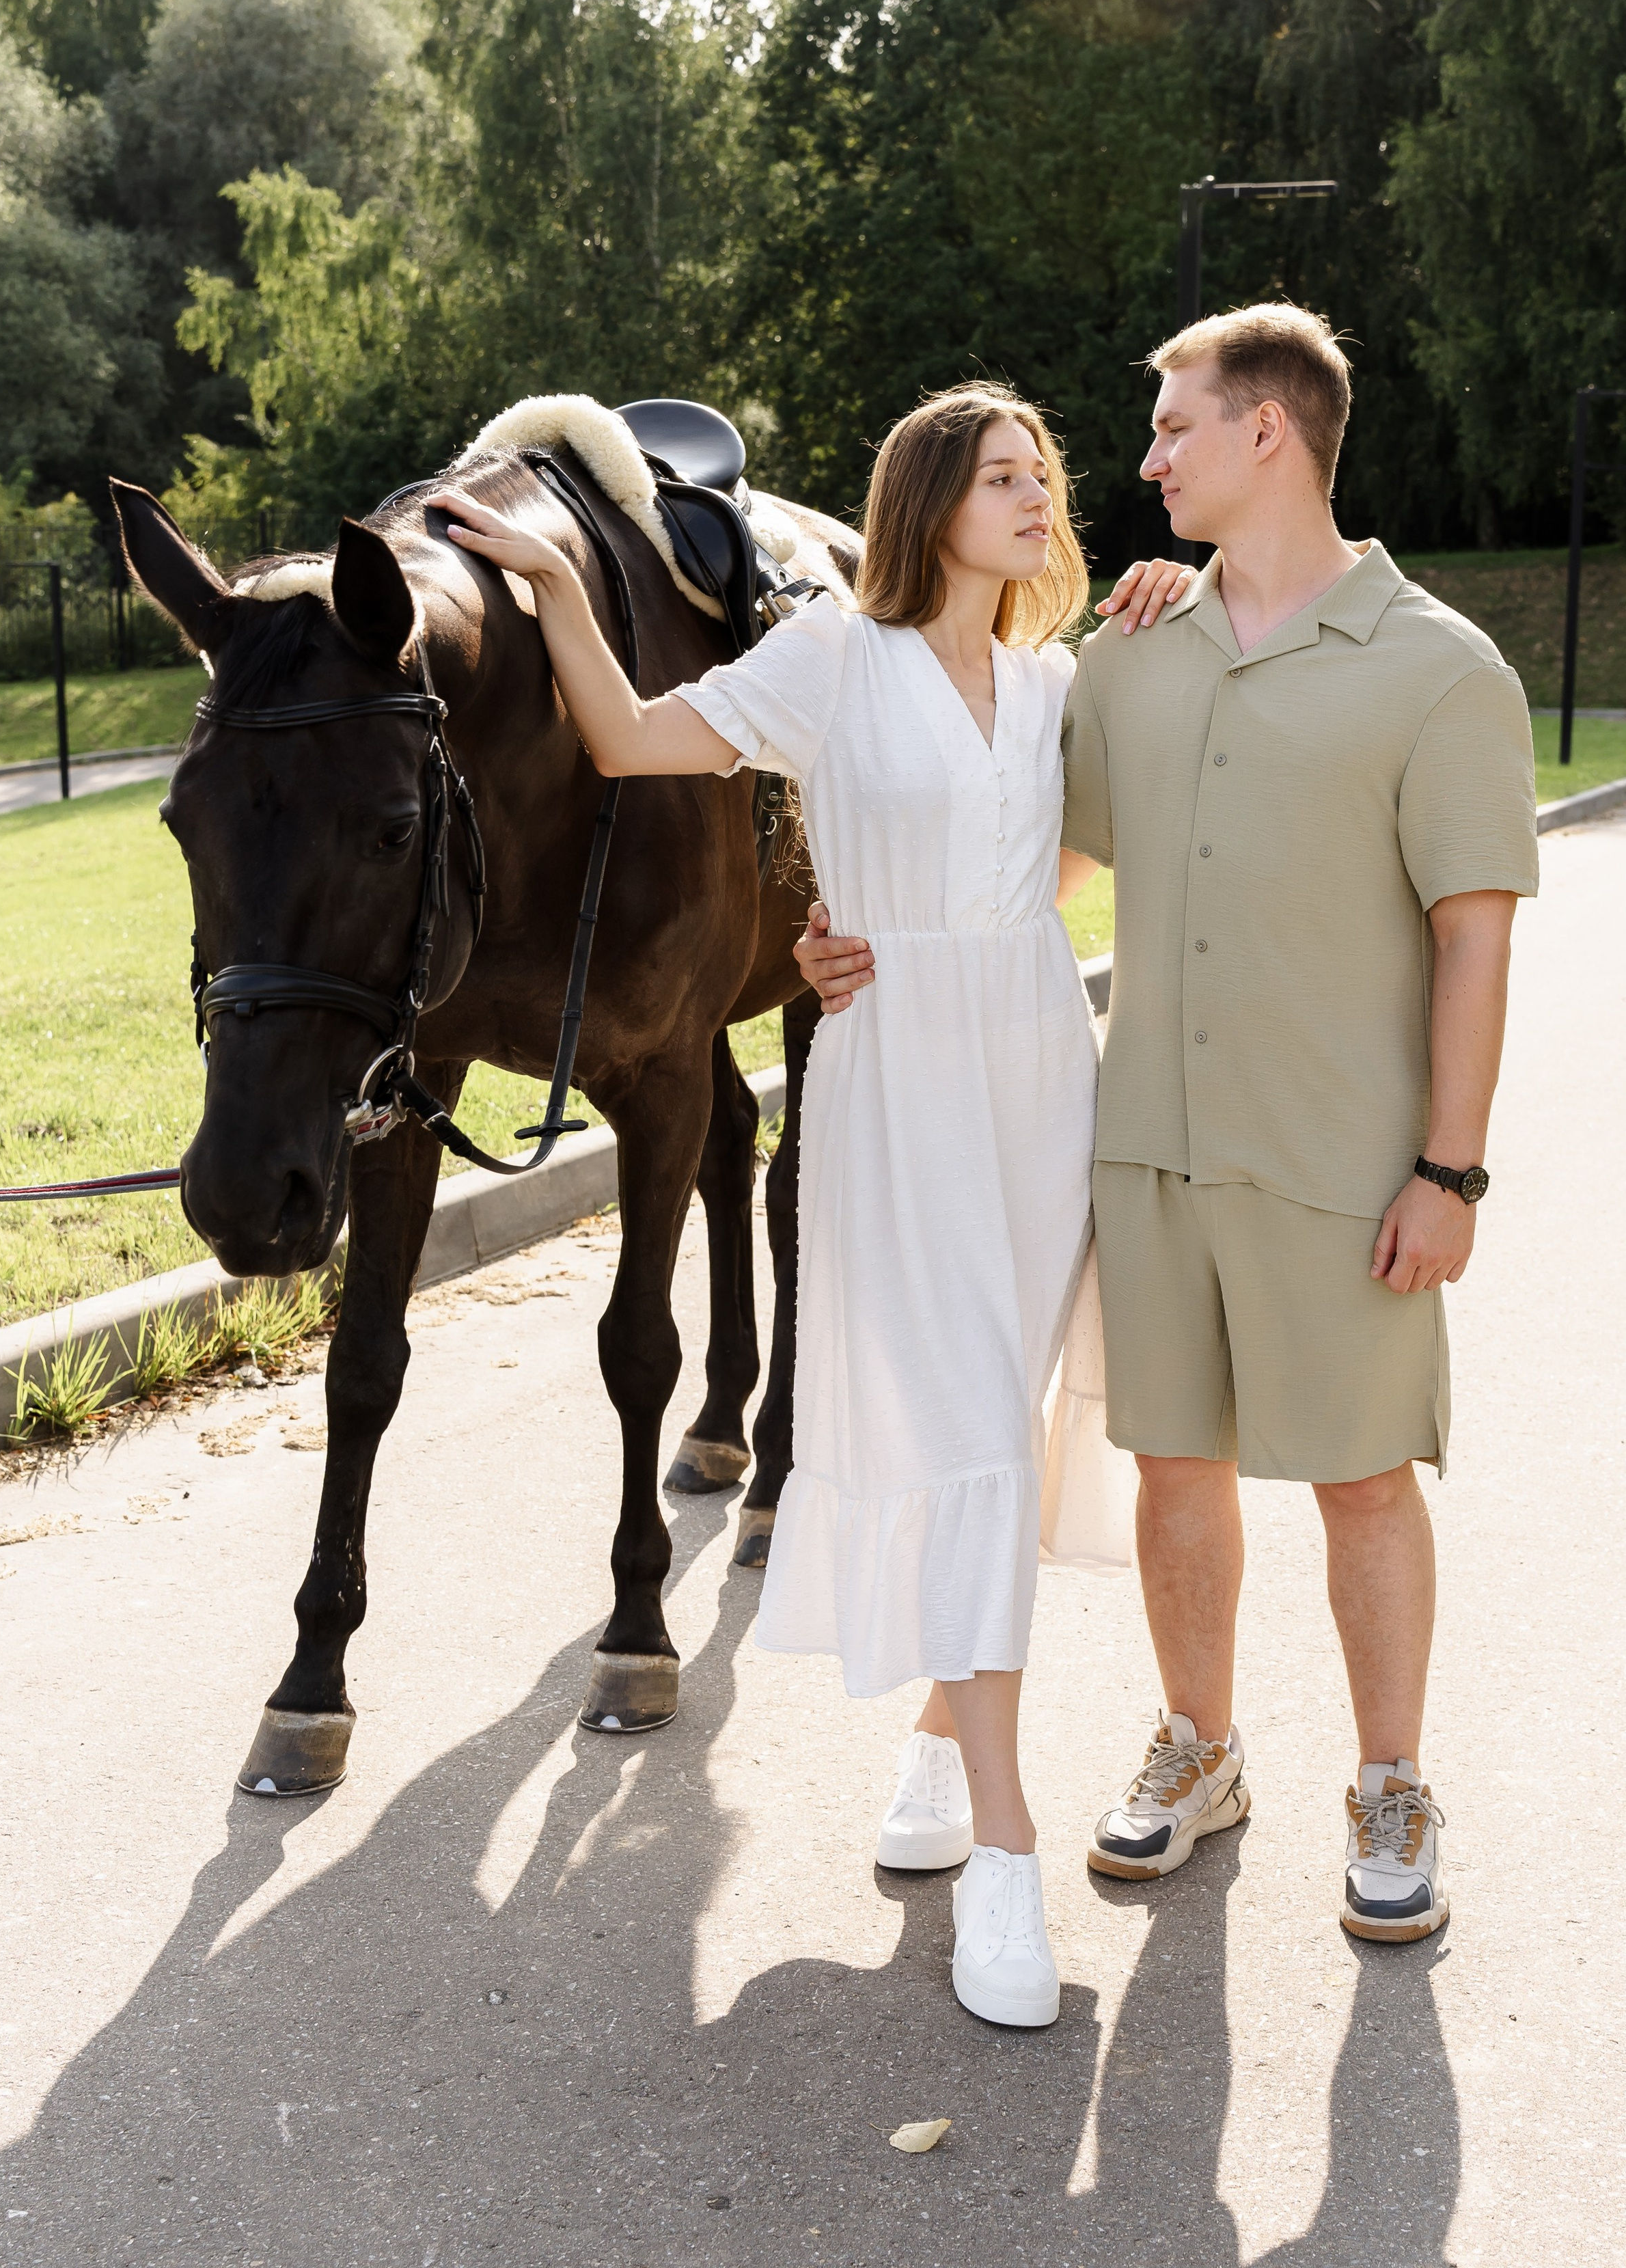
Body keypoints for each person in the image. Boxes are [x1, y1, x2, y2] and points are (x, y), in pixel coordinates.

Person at [426, 392, 1187, 2028]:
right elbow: (631, 737)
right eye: (1003, 478)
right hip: (896, 1082)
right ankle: (1003, 1849)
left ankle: (932, 1747)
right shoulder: (834, 656)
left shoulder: (1057, 684)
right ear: (926, 501)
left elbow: (1052, 868)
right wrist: (559, 595)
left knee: (1002, 1415)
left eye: (1043, 479)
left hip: (1039, 1075)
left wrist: (916, 914)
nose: (1036, 499)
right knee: (966, 1420)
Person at [795, 304, 1540, 1946]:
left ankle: (1390, 1782)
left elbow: (1473, 936)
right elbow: (1010, 851)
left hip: (1346, 1163)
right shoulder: (1129, 651)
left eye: (1171, 431)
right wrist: (850, 938)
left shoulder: (1437, 667)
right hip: (1136, 1150)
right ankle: (1199, 1748)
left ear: (1264, 432)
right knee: (1171, 1466)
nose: (1139, 467)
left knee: (1358, 1479)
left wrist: (1448, 1170)